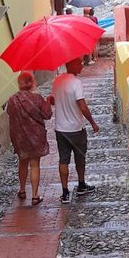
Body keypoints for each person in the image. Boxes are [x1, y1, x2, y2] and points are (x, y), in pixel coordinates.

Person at [51, 57, 100, 202]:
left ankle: (65, 192)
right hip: (76, 129)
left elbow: (53, 100)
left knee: (63, 160)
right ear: (71, 65)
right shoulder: (76, 83)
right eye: (79, 63)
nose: (81, 66)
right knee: (80, 158)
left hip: (60, 129)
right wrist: (92, 123)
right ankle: (81, 185)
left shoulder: (57, 81)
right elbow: (82, 105)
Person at [5, 71, 52, 205]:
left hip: (20, 137)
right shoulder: (37, 98)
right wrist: (48, 101)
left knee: (22, 162)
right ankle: (35, 196)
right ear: (31, 83)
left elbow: (10, 113)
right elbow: (47, 114)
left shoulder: (13, 99)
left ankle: (22, 190)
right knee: (35, 164)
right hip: (36, 137)